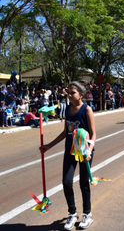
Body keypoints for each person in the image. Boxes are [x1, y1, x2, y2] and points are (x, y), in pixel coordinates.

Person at [40, 81, 96, 230]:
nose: (69, 95)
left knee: (84, 183)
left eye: (73, 93)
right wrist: (49, 146)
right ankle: (72, 213)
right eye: (68, 93)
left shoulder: (87, 109)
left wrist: (89, 150)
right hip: (70, 151)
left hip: (84, 152)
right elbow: (66, 132)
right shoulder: (68, 110)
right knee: (66, 182)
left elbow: (93, 133)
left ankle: (87, 214)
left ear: (81, 95)